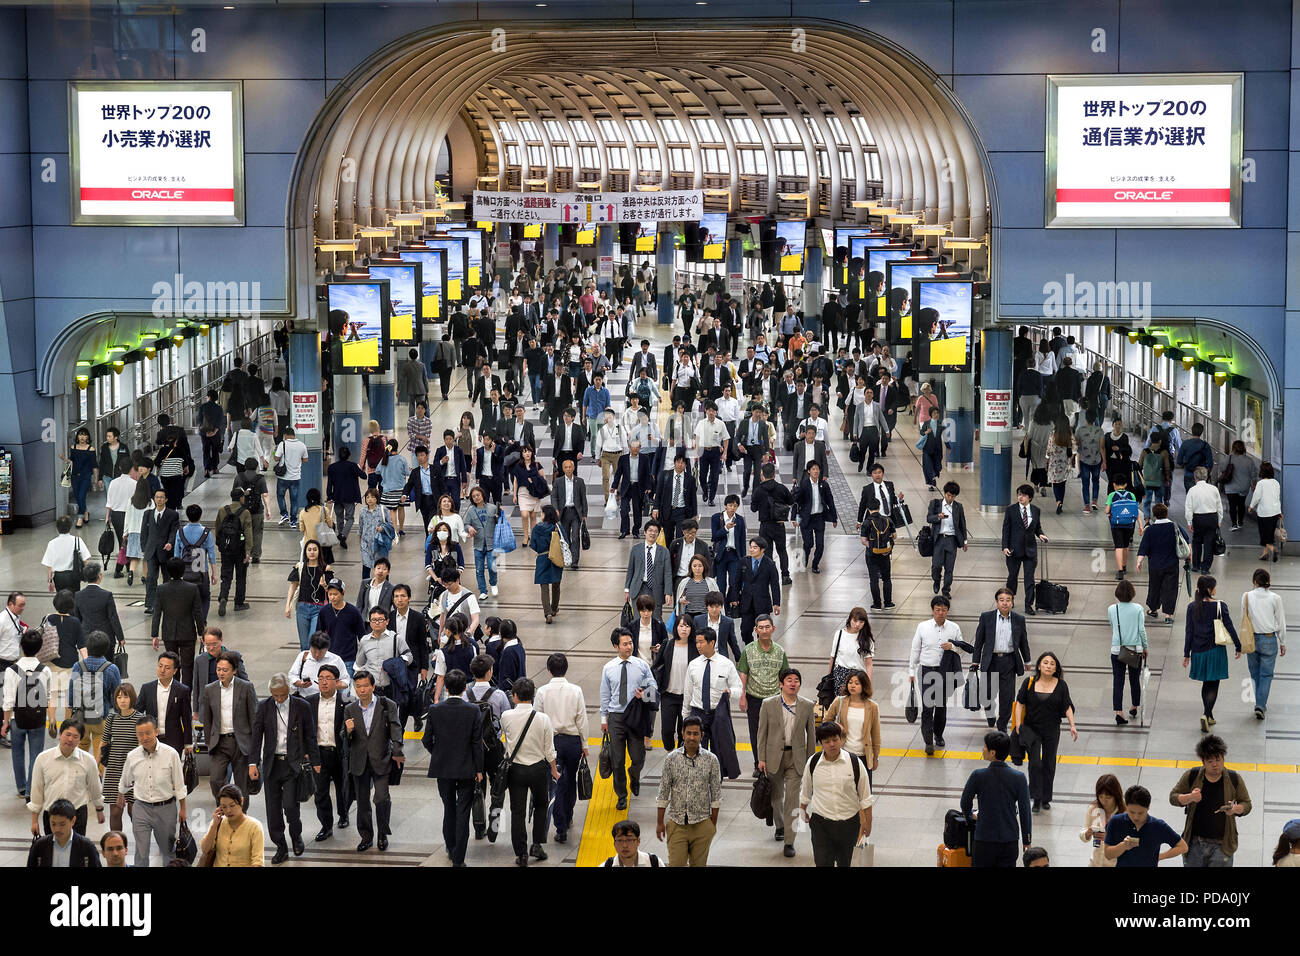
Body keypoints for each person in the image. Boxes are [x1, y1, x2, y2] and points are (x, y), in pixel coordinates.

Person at [249, 673, 318, 864]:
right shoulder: (264, 707)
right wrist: (253, 763)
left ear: (288, 690)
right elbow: (256, 737)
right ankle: (280, 846)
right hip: (272, 765)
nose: (279, 699)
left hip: (292, 764)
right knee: (273, 810)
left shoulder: (302, 706)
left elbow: (310, 735)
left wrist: (315, 761)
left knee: (290, 806)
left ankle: (296, 836)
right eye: (275, 695)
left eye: (282, 695)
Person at [421, 668, 483, 867]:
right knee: (463, 811)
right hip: (466, 768)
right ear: (465, 688)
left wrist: (438, 754)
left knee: (449, 807)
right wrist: (479, 769)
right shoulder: (473, 710)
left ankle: (450, 846)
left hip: (443, 767)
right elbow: (476, 743)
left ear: (446, 688)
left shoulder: (435, 710)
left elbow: (426, 739)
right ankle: (459, 858)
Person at [757, 668, 816, 857]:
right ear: (781, 684)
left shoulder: (807, 705)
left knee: (793, 800)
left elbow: (811, 736)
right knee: (776, 798)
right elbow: (762, 733)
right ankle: (780, 825)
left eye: (796, 680)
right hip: (774, 757)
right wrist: (761, 758)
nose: (793, 683)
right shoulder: (768, 704)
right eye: (789, 680)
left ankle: (790, 842)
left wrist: (811, 761)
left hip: (796, 758)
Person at [1168, 734, 1252, 868]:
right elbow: (1173, 797)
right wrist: (1190, 797)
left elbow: (1247, 804)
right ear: (1203, 761)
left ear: (1223, 758)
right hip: (1195, 843)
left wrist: (1236, 809)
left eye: (1218, 760)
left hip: (1222, 845)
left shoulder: (1234, 778)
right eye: (1210, 761)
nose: (1215, 764)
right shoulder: (1192, 775)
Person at [499, 678, 558, 866]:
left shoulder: (506, 716)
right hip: (538, 768)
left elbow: (504, 740)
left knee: (517, 811)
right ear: (532, 696)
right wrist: (554, 770)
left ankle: (521, 853)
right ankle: (537, 845)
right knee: (541, 805)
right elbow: (549, 750)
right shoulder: (543, 718)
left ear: (515, 696)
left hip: (516, 770)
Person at [799, 720, 873, 868]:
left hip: (849, 824)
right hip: (821, 824)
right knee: (822, 863)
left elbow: (865, 797)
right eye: (827, 741)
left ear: (841, 739)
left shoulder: (854, 763)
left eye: (835, 739)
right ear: (821, 743)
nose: (832, 744)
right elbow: (806, 790)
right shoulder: (812, 763)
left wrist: (868, 822)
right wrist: (802, 810)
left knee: (845, 863)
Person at [344, 670, 404, 852]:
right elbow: (345, 739)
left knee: (381, 798)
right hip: (359, 761)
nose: (362, 690)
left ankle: (382, 834)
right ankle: (366, 836)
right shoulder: (350, 709)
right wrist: (347, 731)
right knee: (362, 802)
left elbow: (395, 728)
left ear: (373, 686)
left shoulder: (387, 705)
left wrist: (397, 750)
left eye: (365, 686)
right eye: (358, 686)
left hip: (381, 758)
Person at [116, 714, 186, 868]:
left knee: (167, 851)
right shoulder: (132, 756)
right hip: (141, 808)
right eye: (140, 734)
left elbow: (180, 785)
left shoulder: (171, 754)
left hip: (166, 808)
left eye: (148, 733)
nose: (144, 737)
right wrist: (121, 795)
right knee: (141, 852)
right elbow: (125, 780)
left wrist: (183, 809)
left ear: (156, 731)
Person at [599, 629, 657, 811]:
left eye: (631, 643)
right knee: (617, 760)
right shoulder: (608, 668)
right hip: (616, 717)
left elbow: (653, 687)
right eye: (625, 644)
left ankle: (634, 775)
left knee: (638, 756)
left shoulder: (641, 665)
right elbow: (605, 694)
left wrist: (645, 694)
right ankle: (622, 795)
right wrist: (603, 718)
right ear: (616, 646)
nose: (629, 647)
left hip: (636, 715)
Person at [908, 595, 973, 755]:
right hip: (926, 671)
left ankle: (938, 734)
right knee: (928, 707)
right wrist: (911, 670)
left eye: (943, 610)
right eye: (937, 610)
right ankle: (928, 740)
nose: (940, 613)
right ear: (933, 610)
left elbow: (962, 648)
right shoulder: (922, 627)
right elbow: (915, 649)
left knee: (941, 706)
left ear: (947, 611)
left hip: (945, 672)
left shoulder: (954, 628)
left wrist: (952, 646)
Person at [533, 652, 587, 845]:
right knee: (570, 780)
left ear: (549, 671)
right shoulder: (576, 690)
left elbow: (537, 719)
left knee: (555, 784)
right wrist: (585, 744)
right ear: (566, 669)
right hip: (572, 742)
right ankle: (568, 812)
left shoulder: (541, 692)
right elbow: (582, 719)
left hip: (551, 743)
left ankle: (560, 827)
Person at [655, 716, 722, 867]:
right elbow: (663, 791)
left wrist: (712, 825)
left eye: (696, 733)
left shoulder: (712, 760)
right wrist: (660, 822)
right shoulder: (671, 759)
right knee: (676, 863)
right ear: (683, 733)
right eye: (689, 733)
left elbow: (716, 794)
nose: (692, 737)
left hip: (702, 823)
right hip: (677, 824)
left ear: (702, 736)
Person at [959, 731, 1033, 867]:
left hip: (984, 840)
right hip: (1009, 840)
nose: (983, 749)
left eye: (985, 747)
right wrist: (1027, 839)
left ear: (993, 753)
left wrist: (970, 816)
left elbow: (964, 802)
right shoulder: (1019, 778)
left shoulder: (978, 776)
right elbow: (1025, 811)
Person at [1015, 651, 1077, 812]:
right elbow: (1020, 703)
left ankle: (1045, 798)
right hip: (1031, 729)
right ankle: (1036, 798)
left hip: (1051, 729)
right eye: (1045, 662)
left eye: (1052, 663)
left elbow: (1067, 706)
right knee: (1035, 764)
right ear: (1039, 666)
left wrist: (1072, 725)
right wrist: (1018, 724)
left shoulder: (1061, 685)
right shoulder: (1029, 682)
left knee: (1049, 763)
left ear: (1056, 668)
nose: (1048, 666)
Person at [1183, 575, 1241, 734]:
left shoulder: (1192, 607)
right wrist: (1238, 645)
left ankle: (1209, 715)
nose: (1216, 589)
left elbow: (1189, 631)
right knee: (1213, 684)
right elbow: (1229, 626)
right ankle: (1206, 714)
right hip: (1215, 650)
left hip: (1198, 651)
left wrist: (1186, 653)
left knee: (1205, 683)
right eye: (1214, 586)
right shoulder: (1220, 605)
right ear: (1209, 589)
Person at [198, 651, 257, 806]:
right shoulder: (210, 689)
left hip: (240, 742)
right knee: (216, 780)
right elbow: (208, 719)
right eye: (218, 669)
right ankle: (224, 809)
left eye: (225, 670)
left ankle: (241, 817)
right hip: (219, 742)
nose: (221, 673)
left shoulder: (246, 687)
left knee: (242, 784)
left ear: (234, 670)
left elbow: (254, 718)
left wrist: (253, 748)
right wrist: (210, 742)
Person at [28, 719, 104, 836]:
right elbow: (37, 790)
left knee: (76, 850)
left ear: (80, 739)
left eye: (75, 736)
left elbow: (95, 787)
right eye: (67, 734)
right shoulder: (43, 758)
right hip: (51, 814)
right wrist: (34, 821)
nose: (70, 739)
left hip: (77, 813)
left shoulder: (88, 760)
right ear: (60, 735)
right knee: (52, 850)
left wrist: (99, 811)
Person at [2, 628, 54, 799]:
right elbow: (48, 696)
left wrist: (5, 722)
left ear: (20, 646)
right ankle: (32, 790)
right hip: (38, 718)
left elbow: (8, 700)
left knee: (17, 752)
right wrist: (50, 718)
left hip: (18, 719)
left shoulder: (12, 670)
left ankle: (22, 787)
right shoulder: (44, 670)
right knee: (36, 755)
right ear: (39, 648)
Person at [972, 588, 1032, 733]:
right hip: (991, 660)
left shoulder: (1019, 619)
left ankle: (1002, 724)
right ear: (997, 602)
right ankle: (989, 712)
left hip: (1009, 661)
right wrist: (976, 660)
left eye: (1008, 600)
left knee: (1008, 696)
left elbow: (1023, 641)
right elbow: (979, 641)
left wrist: (1027, 660)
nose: (1005, 603)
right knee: (987, 694)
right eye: (1002, 600)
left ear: (1012, 602)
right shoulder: (987, 617)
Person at [737, 615, 789, 768]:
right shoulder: (748, 650)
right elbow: (743, 673)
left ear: (773, 629)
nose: (764, 630)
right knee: (756, 733)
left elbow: (785, 674)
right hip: (754, 698)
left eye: (767, 627)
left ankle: (773, 762)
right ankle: (757, 763)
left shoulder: (780, 651)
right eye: (761, 627)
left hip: (775, 699)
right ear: (755, 630)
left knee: (775, 733)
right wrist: (742, 695)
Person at [308, 664, 351, 842]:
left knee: (343, 788)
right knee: (320, 791)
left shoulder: (346, 703)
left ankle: (343, 814)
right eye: (321, 678)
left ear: (337, 682)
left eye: (328, 678)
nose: (324, 682)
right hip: (319, 753)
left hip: (339, 753)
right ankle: (326, 826)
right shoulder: (309, 702)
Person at [67, 630, 121, 759]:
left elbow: (72, 691)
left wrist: (71, 709)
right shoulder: (112, 668)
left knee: (80, 750)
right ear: (106, 648)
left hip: (81, 716)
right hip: (101, 717)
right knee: (100, 751)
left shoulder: (78, 666)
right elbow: (116, 695)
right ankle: (98, 776)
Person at [1241, 568, 1287, 719]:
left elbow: (1244, 618)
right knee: (1266, 675)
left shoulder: (1246, 596)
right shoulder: (1275, 598)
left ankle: (1260, 703)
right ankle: (1260, 705)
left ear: (1254, 581)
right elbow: (1281, 622)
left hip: (1251, 639)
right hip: (1269, 639)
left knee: (1254, 673)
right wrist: (1282, 642)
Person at [823, 668, 881, 786]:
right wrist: (838, 727)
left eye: (857, 683)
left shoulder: (872, 706)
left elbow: (875, 734)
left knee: (864, 795)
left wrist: (875, 758)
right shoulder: (839, 701)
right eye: (850, 682)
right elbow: (826, 722)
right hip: (844, 753)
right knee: (843, 792)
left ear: (864, 686)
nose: (852, 686)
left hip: (864, 756)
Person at [1104, 784, 1187, 866]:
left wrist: (1160, 856)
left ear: (1148, 807)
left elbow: (1183, 847)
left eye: (1140, 813)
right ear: (1126, 806)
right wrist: (1123, 846)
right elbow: (1108, 854)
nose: (1136, 817)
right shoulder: (1116, 822)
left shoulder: (1158, 826)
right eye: (1132, 812)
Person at [99, 682, 144, 833]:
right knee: (115, 812)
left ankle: (141, 840)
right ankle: (117, 842)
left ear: (132, 698)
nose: (122, 700)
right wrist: (96, 766)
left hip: (134, 771)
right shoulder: (111, 718)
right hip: (114, 769)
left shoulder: (139, 718)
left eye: (125, 696)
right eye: (119, 697)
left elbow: (141, 747)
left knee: (134, 811)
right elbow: (103, 743)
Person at [1001, 484, 1048, 615]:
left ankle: (1028, 604)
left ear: (1030, 497)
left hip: (1030, 551)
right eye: (1019, 494)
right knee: (1012, 577)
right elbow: (1006, 529)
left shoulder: (1036, 510)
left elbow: (1037, 527)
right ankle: (1010, 599)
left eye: (1023, 495)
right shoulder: (1011, 510)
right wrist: (1005, 546)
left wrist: (1041, 534)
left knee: (1029, 579)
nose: (1020, 497)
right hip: (1013, 550)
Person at [1108, 579, 1149, 725]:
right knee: (1134, 679)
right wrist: (1145, 646)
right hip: (1134, 650)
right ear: (1132, 593)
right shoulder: (1138, 609)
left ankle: (1119, 712)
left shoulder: (1112, 609)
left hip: (1117, 650)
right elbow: (1141, 630)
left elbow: (1112, 625)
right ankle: (1134, 706)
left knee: (1118, 681)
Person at [729, 536, 782, 644]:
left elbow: (775, 585)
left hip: (762, 603)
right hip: (746, 602)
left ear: (762, 550)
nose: (751, 550)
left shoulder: (770, 564)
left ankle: (760, 648)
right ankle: (750, 646)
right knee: (745, 630)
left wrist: (776, 603)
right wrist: (734, 597)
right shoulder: (743, 562)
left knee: (763, 632)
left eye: (755, 547)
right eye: (751, 547)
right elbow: (736, 581)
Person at [1135, 502, 1182, 624]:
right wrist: (1190, 557)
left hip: (1155, 565)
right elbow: (1185, 541)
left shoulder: (1150, 530)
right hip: (1171, 564)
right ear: (1166, 514)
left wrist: (1139, 561)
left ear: (1154, 516)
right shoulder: (1174, 526)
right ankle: (1168, 615)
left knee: (1155, 587)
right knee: (1171, 588)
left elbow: (1144, 547)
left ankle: (1153, 609)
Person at [138, 651, 192, 756]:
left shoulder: (182, 690)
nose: (162, 670)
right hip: (151, 738)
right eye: (160, 666)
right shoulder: (147, 688)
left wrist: (188, 743)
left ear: (175, 671)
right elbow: (137, 712)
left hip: (174, 739)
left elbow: (186, 718)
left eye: (167, 668)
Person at [199, 784, 265, 867]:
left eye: (232, 806)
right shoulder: (218, 823)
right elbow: (205, 850)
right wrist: (214, 826)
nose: (228, 810)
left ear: (241, 801)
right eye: (224, 807)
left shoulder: (255, 827)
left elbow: (258, 863)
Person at [26, 798, 101, 868]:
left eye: (62, 824)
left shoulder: (87, 847)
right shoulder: (39, 846)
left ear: (73, 821)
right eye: (53, 824)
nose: (57, 829)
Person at [285, 541, 332, 653]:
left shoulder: (326, 568)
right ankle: (305, 667)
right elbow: (293, 586)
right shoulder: (300, 567)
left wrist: (325, 585)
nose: (312, 552)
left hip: (319, 608)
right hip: (302, 608)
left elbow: (332, 590)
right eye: (309, 549)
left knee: (313, 641)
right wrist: (288, 606)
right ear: (305, 552)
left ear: (319, 552)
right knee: (304, 644)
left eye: (314, 549)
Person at [213, 489, 253, 616]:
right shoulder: (245, 512)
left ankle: (223, 597)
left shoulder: (222, 510)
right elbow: (248, 533)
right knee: (241, 577)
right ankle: (239, 603)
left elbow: (218, 529)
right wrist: (248, 551)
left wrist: (221, 546)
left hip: (226, 549)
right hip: (240, 550)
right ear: (241, 498)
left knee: (226, 576)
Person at [792, 461, 837, 573]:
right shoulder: (804, 484)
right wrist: (793, 518)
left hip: (819, 518)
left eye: (817, 469)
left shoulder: (824, 485)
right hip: (807, 518)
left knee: (820, 545)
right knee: (808, 543)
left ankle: (815, 564)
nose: (816, 471)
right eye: (813, 469)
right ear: (809, 471)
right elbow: (796, 502)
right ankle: (804, 560)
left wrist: (834, 518)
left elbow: (830, 501)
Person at [624, 519, 673, 622]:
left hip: (656, 590)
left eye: (655, 531)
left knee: (656, 619)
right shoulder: (636, 549)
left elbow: (667, 573)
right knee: (638, 619)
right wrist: (627, 589)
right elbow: (630, 570)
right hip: (638, 588)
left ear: (658, 534)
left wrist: (668, 592)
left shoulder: (664, 551)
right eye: (650, 530)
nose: (653, 533)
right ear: (645, 532)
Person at [752, 463, 794, 584]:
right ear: (774, 475)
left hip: (765, 525)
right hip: (779, 525)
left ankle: (769, 576)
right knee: (782, 551)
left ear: (762, 475)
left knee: (767, 552)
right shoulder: (781, 488)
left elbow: (753, 509)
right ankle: (785, 576)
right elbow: (791, 501)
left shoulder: (758, 490)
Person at [926, 481, 968, 600]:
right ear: (944, 493)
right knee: (936, 566)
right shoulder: (935, 504)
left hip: (952, 540)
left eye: (953, 496)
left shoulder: (958, 507)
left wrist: (965, 541)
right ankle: (936, 580)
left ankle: (946, 590)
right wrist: (937, 517)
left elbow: (962, 524)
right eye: (948, 495)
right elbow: (928, 518)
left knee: (949, 568)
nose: (950, 498)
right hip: (939, 539)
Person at [317, 579, 366, 674]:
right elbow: (319, 634)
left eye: (335, 594)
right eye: (330, 594)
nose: (332, 597)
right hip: (330, 658)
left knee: (346, 687)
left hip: (348, 659)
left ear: (343, 593)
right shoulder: (324, 611)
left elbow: (362, 636)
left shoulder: (353, 612)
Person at [550, 456, 588, 570]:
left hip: (576, 512)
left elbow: (583, 499)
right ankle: (568, 557)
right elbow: (554, 497)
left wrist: (584, 514)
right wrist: (555, 509)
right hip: (564, 512)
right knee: (565, 537)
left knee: (575, 536)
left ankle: (575, 561)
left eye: (570, 467)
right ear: (563, 468)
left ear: (573, 467)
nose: (568, 469)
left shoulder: (579, 481)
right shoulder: (558, 481)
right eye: (565, 467)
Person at [529, 504, 564, 624]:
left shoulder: (537, 528)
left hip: (542, 558)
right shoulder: (557, 527)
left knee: (544, 587)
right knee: (556, 584)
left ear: (545, 515)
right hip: (556, 558)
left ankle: (547, 613)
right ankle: (554, 608)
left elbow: (533, 544)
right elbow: (566, 541)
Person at [325, 445, 365, 550]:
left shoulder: (332, 467)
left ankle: (342, 535)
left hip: (337, 496)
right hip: (350, 496)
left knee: (339, 517)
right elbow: (364, 476)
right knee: (350, 518)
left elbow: (329, 484)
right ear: (349, 455)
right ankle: (343, 535)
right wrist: (360, 467)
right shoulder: (353, 466)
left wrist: (329, 495)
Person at [1079, 773, 1124, 867]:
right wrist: (1087, 833)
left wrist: (1109, 838)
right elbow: (1083, 833)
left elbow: (1131, 841)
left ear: (1116, 795)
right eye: (1100, 797)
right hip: (1095, 862)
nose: (1104, 801)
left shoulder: (1125, 813)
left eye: (1108, 797)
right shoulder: (1093, 809)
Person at [1185, 466, 1224, 574]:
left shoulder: (1192, 490)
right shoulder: (1214, 489)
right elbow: (1219, 506)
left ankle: (1196, 565)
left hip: (1198, 518)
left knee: (1196, 541)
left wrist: (1189, 522)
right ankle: (1205, 567)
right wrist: (1219, 519)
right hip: (1212, 518)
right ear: (1206, 477)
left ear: (1195, 477)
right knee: (1209, 542)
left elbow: (1188, 508)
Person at [42, 515, 91, 596]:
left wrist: (50, 581)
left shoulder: (52, 543)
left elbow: (49, 564)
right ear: (70, 527)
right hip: (74, 576)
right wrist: (88, 576)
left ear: (57, 528)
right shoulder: (77, 540)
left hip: (58, 577)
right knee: (75, 598)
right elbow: (85, 560)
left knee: (62, 600)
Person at [828, 607, 873, 694]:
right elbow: (832, 658)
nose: (857, 624)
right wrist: (828, 676)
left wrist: (869, 684)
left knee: (856, 704)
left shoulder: (866, 639)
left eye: (861, 622)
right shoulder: (840, 634)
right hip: (841, 675)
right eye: (855, 621)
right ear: (850, 619)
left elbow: (869, 664)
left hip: (859, 677)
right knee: (841, 704)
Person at [59, 427, 98, 527]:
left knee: (81, 495)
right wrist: (63, 459)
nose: (82, 437)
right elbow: (72, 461)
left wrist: (96, 479)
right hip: (74, 475)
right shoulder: (73, 447)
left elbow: (94, 465)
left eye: (85, 435)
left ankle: (79, 518)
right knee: (78, 497)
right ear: (77, 436)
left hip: (86, 476)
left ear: (88, 437)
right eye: (80, 434)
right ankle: (85, 512)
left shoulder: (91, 449)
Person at [271, 427, 310, 525]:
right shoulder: (302, 445)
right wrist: (296, 461)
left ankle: (284, 514)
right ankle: (293, 521)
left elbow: (276, 458)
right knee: (294, 499)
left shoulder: (282, 444)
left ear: (285, 435)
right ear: (294, 435)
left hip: (283, 477)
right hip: (295, 477)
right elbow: (305, 460)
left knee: (280, 496)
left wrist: (275, 452)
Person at [1217, 439, 1258, 532]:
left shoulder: (1229, 458)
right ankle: (1240, 522)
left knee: (1232, 506)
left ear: (1233, 448)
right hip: (1244, 487)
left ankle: (1234, 524)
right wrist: (1253, 485)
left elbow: (1222, 468)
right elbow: (1254, 475)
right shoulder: (1249, 460)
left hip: (1231, 487)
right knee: (1241, 505)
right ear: (1243, 448)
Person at [1248, 460, 1283, 562]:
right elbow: (1277, 498)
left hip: (1264, 513)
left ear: (1262, 472)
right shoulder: (1276, 483)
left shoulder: (1261, 483)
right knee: (1269, 534)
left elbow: (1256, 497)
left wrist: (1251, 506)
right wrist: (1279, 512)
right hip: (1275, 512)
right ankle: (1265, 554)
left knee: (1264, 535)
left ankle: (1273, 549)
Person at [1137, 434, 1172, 519]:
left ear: (1151, 441)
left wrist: (1142, 478)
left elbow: (1139, 466)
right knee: (1159, 501)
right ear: (1160, 441)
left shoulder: (1145, 452)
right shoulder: (1164, 453)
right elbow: (1167, 467)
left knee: (1147, 501)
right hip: (1159, 480)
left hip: (1147, 481)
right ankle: (1158, 518)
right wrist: (1167, 478)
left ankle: (1147, 519)